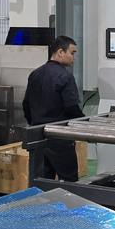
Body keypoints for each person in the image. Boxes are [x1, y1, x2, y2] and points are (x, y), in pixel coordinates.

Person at [24, 35, 83, 182]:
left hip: (38, 136)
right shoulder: (65, 76)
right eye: (72, 53)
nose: (74, 58)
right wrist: (84, 123)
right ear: (60, 52)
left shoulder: (35, 74)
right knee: (69, 180)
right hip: (59, 136)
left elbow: (26, 104)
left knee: (41, 181)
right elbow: (71, 108)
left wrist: (35, 124)